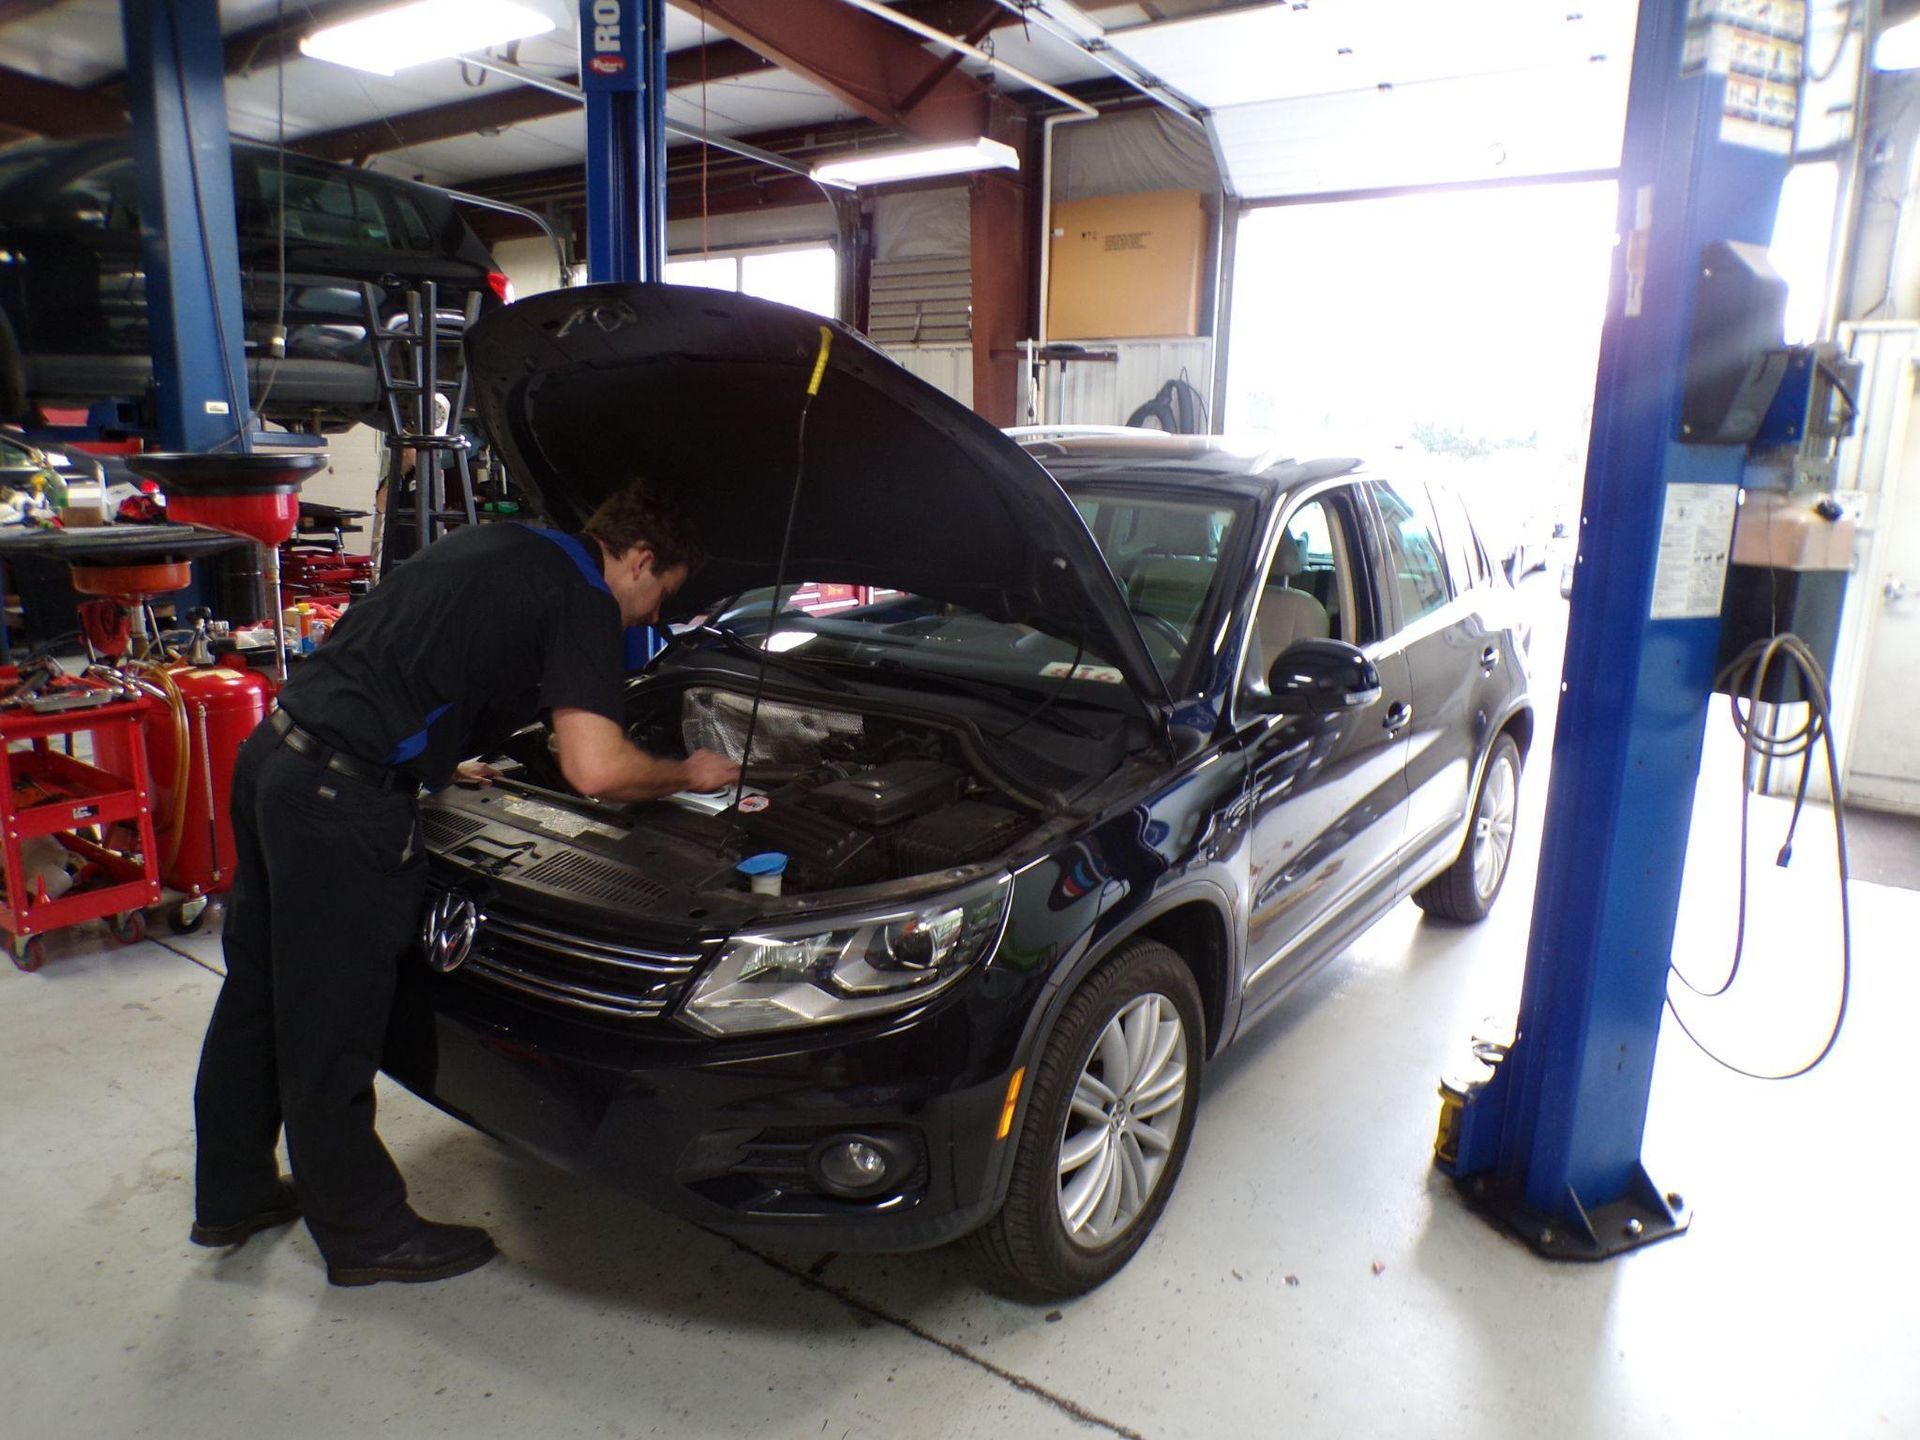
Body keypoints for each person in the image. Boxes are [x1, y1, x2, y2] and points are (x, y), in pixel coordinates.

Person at [189, 482, 739, 1286]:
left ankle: (231, 1191)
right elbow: (597, 769)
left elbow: (422, 656)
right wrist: (687, 770)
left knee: (258, 991)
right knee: (331, 1024)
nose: (651, 617)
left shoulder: (499, 547)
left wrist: (438, 754)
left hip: (278, 755)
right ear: (641, 559)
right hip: (340, 801)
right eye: (662, 595)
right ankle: (362, 1231)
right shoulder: (584, 598)